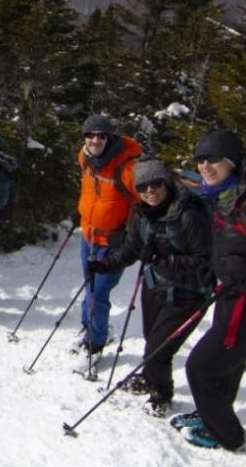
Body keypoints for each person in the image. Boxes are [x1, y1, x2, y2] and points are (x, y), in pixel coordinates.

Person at [88, 157, 212, 417]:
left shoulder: (188, 216)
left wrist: (162, 259)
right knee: (151, 339)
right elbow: (132, 248)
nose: (150, 191)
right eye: (143, 187)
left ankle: (162, 393)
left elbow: (205, 264)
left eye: (155, 184)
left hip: (187, 295)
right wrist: (106, 264)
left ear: (165, 182)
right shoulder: (141, 214)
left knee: (157, 349)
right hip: (155, 287)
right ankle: (149, 378)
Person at [177, 129, 246, 451]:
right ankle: (211, 416)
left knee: (201, 367)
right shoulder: (220, 196)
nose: (205, 165)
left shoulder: (241, 200)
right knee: (229, 364)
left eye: (214, 159)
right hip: (229, 293)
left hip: (242, 300)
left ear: (232, 162)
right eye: (201, 159)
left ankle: (228, 436)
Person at [72, 114, 142, 362]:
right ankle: (88, 326)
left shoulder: (128, 168)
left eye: (101, 136)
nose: (94, 140)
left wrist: (134, 237)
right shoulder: (85, 157)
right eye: (89, 135)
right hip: (88, 237)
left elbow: (147, 202)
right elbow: (88, 189)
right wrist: (80, 211)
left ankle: (95, 342)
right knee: (89, 286)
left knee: (97, 293)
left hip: (113, 243)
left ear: (110, 138)